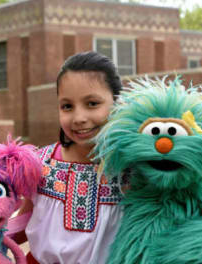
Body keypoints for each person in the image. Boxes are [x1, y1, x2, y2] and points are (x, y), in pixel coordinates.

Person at [15, 51, 123, 264]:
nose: (79, 118)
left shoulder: (133, 169)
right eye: (67, 106)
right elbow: (22, 225)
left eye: (92, 103)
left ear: (117, 102)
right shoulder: (39, 162)